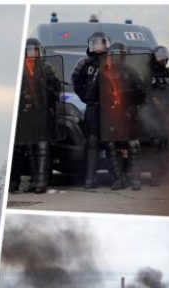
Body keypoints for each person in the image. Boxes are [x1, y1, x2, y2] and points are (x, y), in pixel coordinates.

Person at [10, 37, 61, 194]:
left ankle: (41, 181)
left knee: (42, 147)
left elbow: (56, 88)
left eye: (35, 50)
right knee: (29, 147)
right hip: (25, 113)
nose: (32, 53)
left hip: (42, 112)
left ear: (40, 52)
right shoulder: (19, 68)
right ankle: (31, 180)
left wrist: (45, 89)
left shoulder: (46, 67)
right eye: (29, 50)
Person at [102, 41, 147, 190]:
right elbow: (94, 93)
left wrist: (127, 97)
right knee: (112, 145)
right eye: (114, 54)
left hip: (129, 114)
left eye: (119, 54)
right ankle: (118, 178)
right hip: (112, 115)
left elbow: (142, 93)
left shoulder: (131, 72)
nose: (117, 57)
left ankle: (134, 178)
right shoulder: (104, 72)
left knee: (133, 146)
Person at [72, 31, 109, 189]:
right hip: (93, 107)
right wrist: (86, 98)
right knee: (92, 141)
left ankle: (116, 176)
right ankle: (89, 178)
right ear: (91, 45)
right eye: (96, 43)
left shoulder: (111, 62)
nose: (99, 46)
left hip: (110, 109)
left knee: (112, 141)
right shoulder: (84, 64)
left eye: (102, 43)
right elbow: (76, 81)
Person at [143, 45, 169, 184]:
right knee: (155, 143)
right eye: (160, 57)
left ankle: (166, 174)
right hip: (152, 115)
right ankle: (155, 174)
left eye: (164, 57)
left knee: (167, 144)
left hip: (168, 113)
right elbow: (142, 92)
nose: (163, 60)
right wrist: (153, 102)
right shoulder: (147, 74)